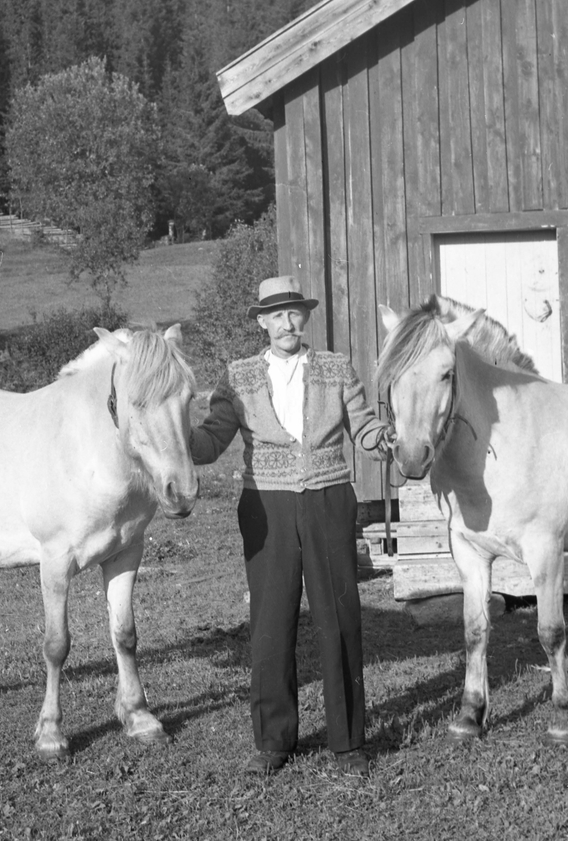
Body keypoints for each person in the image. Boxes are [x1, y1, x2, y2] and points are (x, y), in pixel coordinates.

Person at [190, 275, 392, 778]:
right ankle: (273, 742)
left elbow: (363, 426)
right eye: (276, 314)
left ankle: (348, 743)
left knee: (340, 619)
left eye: (294, 313)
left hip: (328, 500)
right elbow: (211, 440)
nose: (286, 322)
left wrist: (385, 438)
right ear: (262, 322)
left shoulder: (335, 366)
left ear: (305, 319)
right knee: (270, 624)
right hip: (266, 509)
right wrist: (173, 434)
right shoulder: (236, 376)